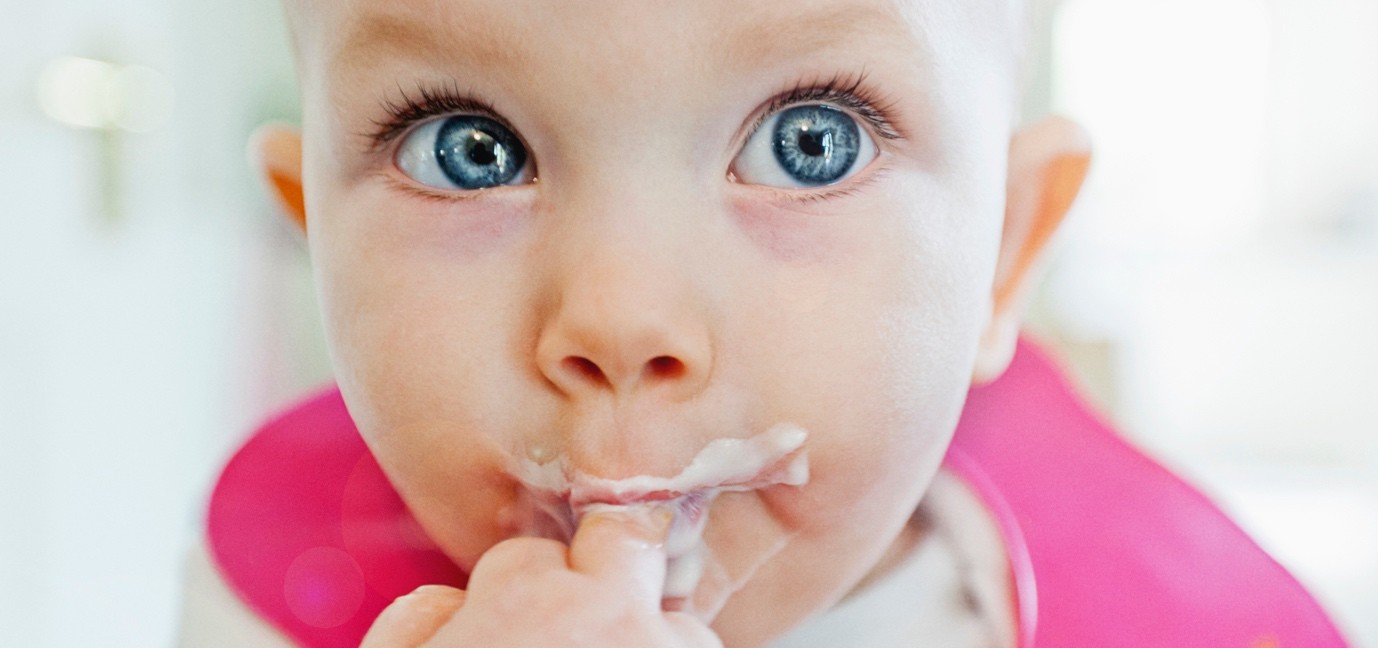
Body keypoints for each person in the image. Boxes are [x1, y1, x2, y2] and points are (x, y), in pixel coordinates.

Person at [177, 0, 1350, 646]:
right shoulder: (254, 598)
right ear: (315, 240)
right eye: (470, 152)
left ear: (1000, 259)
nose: (621, 317)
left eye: (809, 140)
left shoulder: (1175, 623)